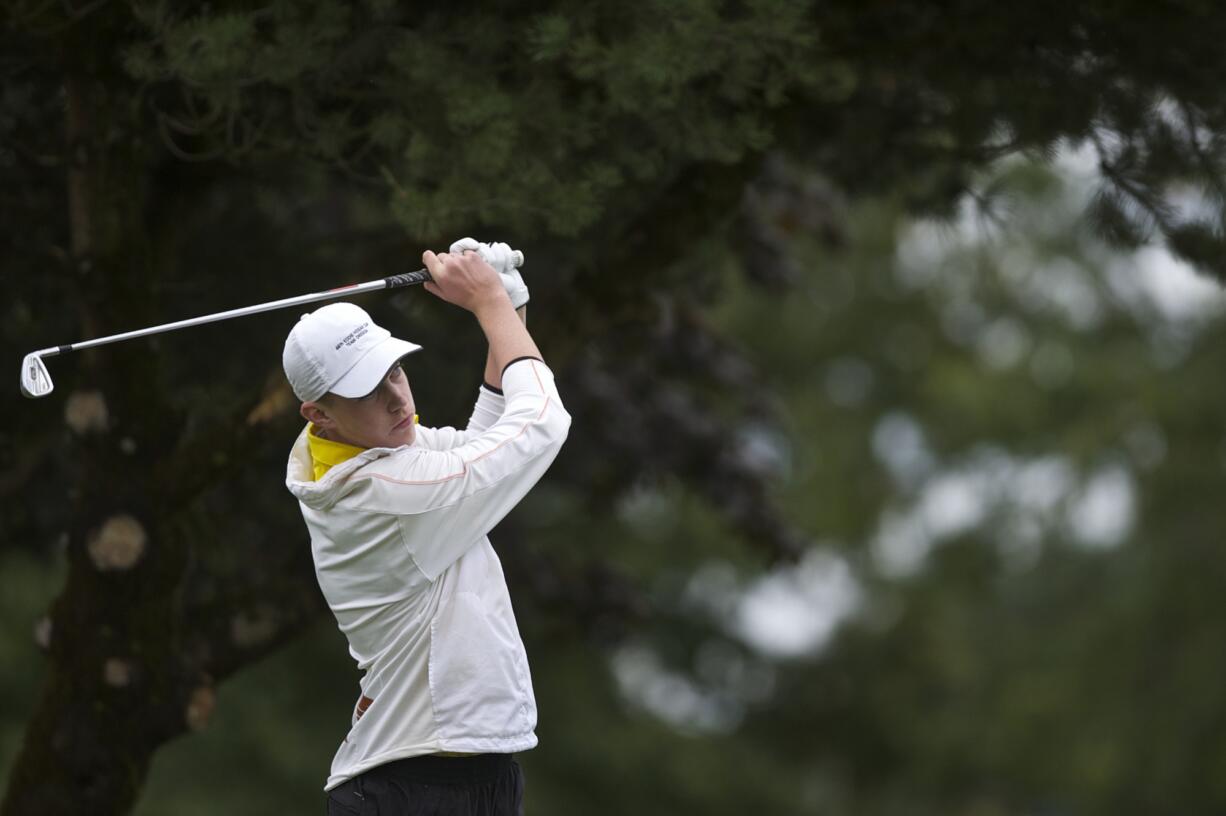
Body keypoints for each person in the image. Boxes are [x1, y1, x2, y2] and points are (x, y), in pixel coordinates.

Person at [281, 239, 570, 816]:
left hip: (461, 775)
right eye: (368, 390)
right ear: (319, 414)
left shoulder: (385, 456)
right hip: (410, 786)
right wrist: (489, 304)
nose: (396, 400)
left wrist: (507, 306)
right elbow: (540, 425)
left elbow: (485, 439)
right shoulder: (386, 493)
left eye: (394, 373)